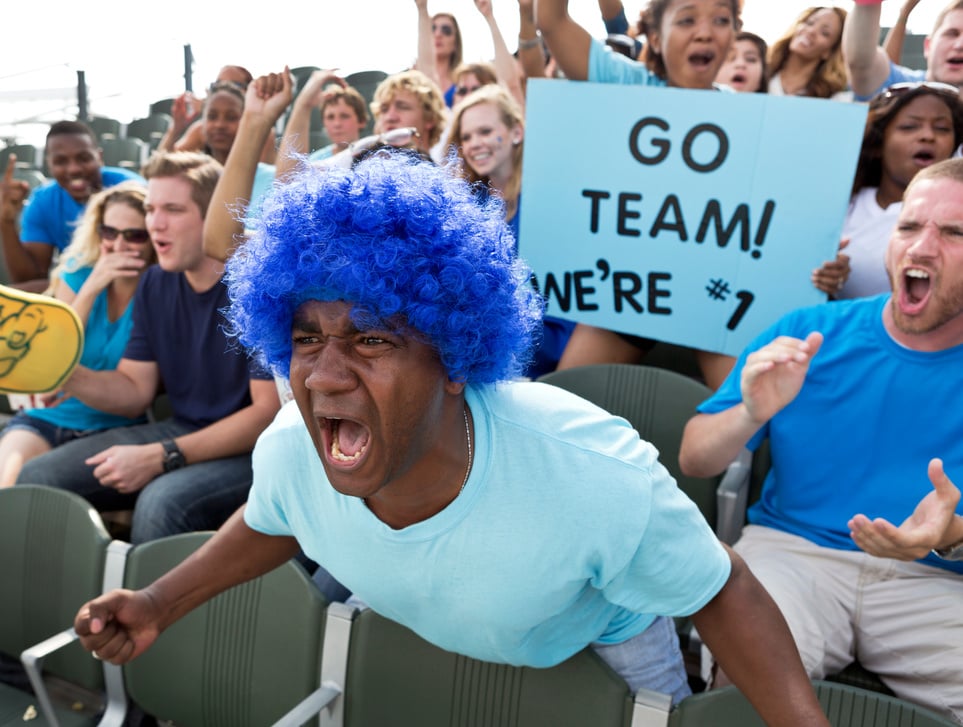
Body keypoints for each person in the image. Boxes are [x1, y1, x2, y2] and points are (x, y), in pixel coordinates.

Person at [73, 153, 829, 727]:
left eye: (369, 337)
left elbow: (721, 587)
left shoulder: (591, 472)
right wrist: (157, 602)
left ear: (454, 358)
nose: (325, 375)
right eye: (305, 336)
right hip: (442, 628)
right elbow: (273, 518)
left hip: (606, 636)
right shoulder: (293, 448)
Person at [677, 157, 963, 723]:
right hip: (792, 556)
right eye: (909, 226)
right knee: (742, 681)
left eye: (954, 233)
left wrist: (951, 535)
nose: (923, 247)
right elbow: (695, 456)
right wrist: (748, 414)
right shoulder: (809, 330)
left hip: (935, 581)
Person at [16, 151, 281, 544]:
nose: (154, 223)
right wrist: (62, 372)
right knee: (38, 478)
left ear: (213, 220)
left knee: (162, 502)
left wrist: (164, 454)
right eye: (152, 208)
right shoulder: (155, 282)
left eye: (172, 209)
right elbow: (133, 390)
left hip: (253, 450)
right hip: (182, 429)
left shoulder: (252, 286)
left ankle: (143, 606)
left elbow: (265, 413)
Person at [536, 0, 742, 389]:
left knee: (753, 421)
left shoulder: (750, 117)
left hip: (712, 297)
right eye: (687, 19)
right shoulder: (626, 84)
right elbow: (552, 21)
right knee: (562, 403)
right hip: (627, 292)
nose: (705, 31)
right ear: (656, 39)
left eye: (721, 20)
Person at [0, 182, 154, 487]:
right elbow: (49, 352)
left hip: (117, 429)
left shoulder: (159, 289)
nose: (119, 245)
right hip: (48, 418)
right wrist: (92, 285)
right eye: (109, 232)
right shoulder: (80, 272)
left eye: (134, 235)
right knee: (7, 487)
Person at [448, 84, 574, 377]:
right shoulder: (469, 204)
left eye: (485, 132)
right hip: (487, 340)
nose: (475, 143)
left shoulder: (551, 199)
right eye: (466, 137)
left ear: (516, 133)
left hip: (552, 337)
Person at [834, 80, 963, 299]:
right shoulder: (841, 206)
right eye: (909, 127)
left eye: (942, 128)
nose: (928, 136)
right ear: (877, 144)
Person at [0, 121, 143, 292]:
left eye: (83, 158)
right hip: (76, 286)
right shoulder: (43, 201)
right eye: (61, 161)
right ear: (49, 164)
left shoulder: (129, 189)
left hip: (130, 283)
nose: (74, 169)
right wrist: (6, 222)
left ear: (99, 157)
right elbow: (30, 279)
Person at [843, 0, 963, 102]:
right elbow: (862, 64)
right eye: (952, 34)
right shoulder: (900, 86)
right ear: (928, 46)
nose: (960, 45)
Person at [766, 6, 849, 99]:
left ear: (830, 51)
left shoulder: (833, 97)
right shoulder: (760, 76)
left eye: (824, 33)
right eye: (810, 23)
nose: (811, 31)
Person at [369, 70, 447, 159]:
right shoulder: (360, 167)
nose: (389, 117)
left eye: (402, 107)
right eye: (384, 109)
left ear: (430, 118)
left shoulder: (442, 172)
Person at [414, 0, 463, 107]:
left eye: (446, 30)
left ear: (456, 44)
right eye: (432, 28)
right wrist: (422, 9)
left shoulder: (464, 83)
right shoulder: (413, 81)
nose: (438, 34)